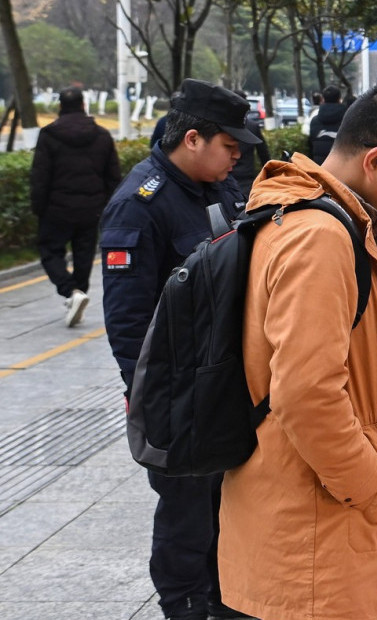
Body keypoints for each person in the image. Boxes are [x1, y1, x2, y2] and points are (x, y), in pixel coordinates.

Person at [217, 82, 377, 620]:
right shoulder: (319, 236)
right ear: (376, 159)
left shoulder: (298, 215)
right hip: (315, 533)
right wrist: (366, 482)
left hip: (303, 517)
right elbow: (305, 390)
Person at [100, 78, 260, 620]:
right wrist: (148, 394)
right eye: (229, 147)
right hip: (177, 390)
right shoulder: (139, 205)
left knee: (225, 503)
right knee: (186, 510)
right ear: (193, 139)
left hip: (223, 379)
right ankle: (185, 605)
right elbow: (127, 320)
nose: (236, 158)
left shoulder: (219, 187)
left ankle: (224, 598)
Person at [30, 86, 120, 327]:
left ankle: (71, 292)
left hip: (56, 209)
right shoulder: (101, 135)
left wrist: (38, 207)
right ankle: (78, 291)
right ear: (83, 105)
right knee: (84, 254)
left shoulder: (48, 135)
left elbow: (40, 175)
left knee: (50, 251)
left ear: (60, 107)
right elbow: (113, 176)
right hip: (91, 208)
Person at [231, 89, 270, 195]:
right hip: (247, 179)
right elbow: (264, 154)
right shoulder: (252, 126)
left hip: (227, 177)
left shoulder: (221, 128)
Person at [308, 85, 347, 163]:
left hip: (319, 167)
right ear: (340, 99)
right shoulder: (348, 120)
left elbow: (310, 145)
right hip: (342, 167)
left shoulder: (314, 121)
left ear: (323, 99)